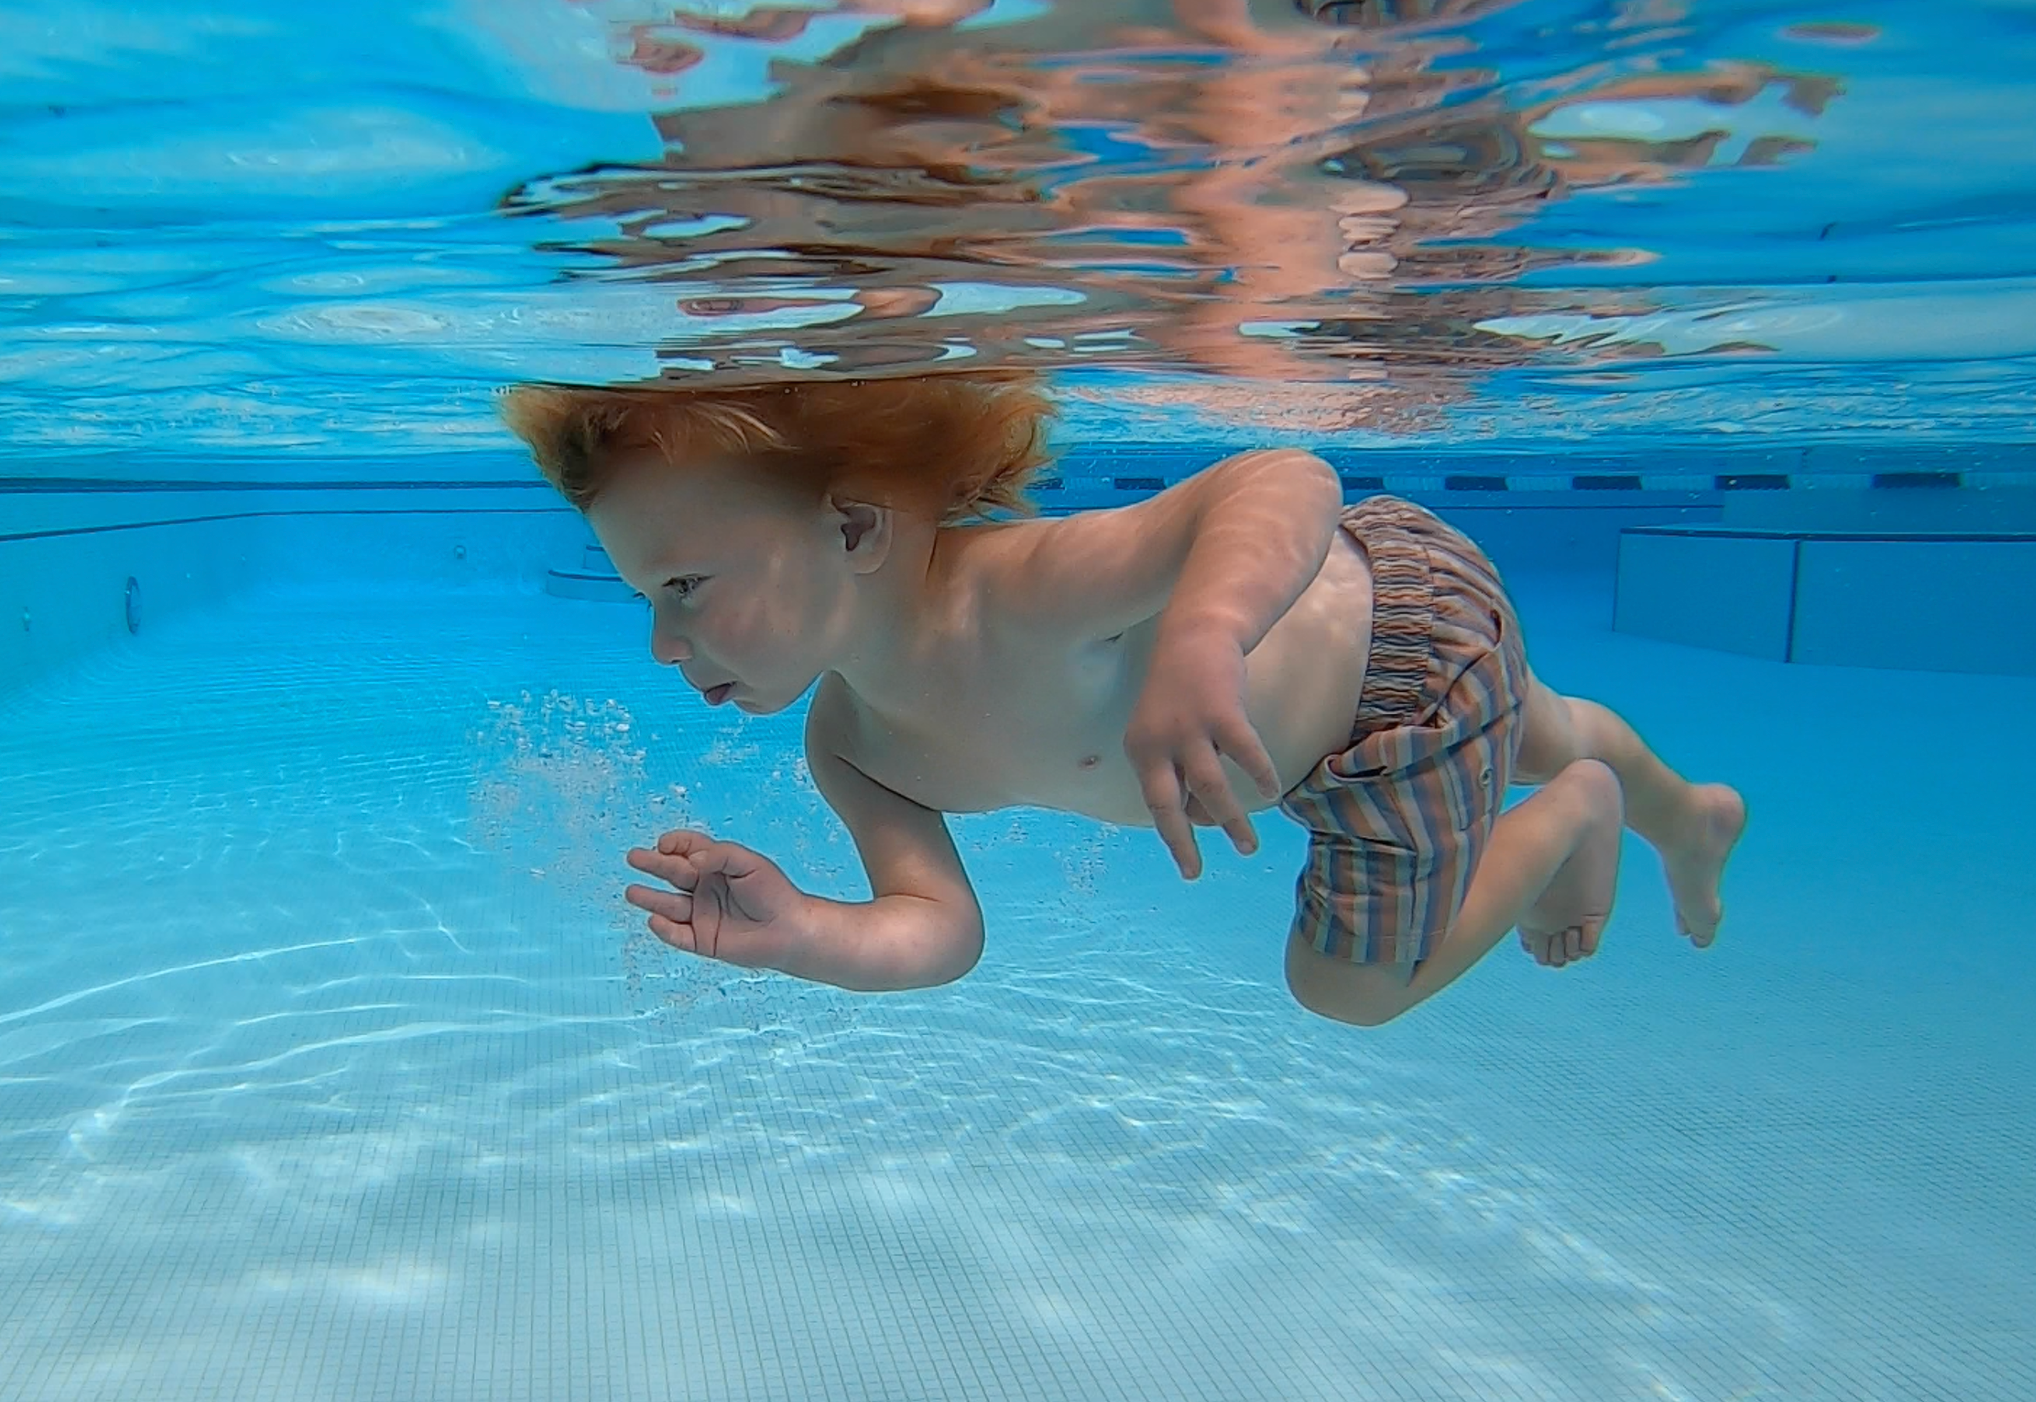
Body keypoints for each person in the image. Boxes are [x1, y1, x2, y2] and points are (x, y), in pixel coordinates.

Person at [499, 373, 1745, 1027]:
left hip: (1390, 679)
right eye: (644, 601)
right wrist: (807, 933)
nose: (663, 643)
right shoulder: (855, 746)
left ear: (855, 527)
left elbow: (1282, 478)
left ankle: (1578, 817)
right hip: (1395, 648)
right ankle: (1683, 812)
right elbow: (938, 928)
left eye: (684, 585)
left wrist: (1204, 634)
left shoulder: (1017, 590)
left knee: (1350, 989)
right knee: (1535, 715)